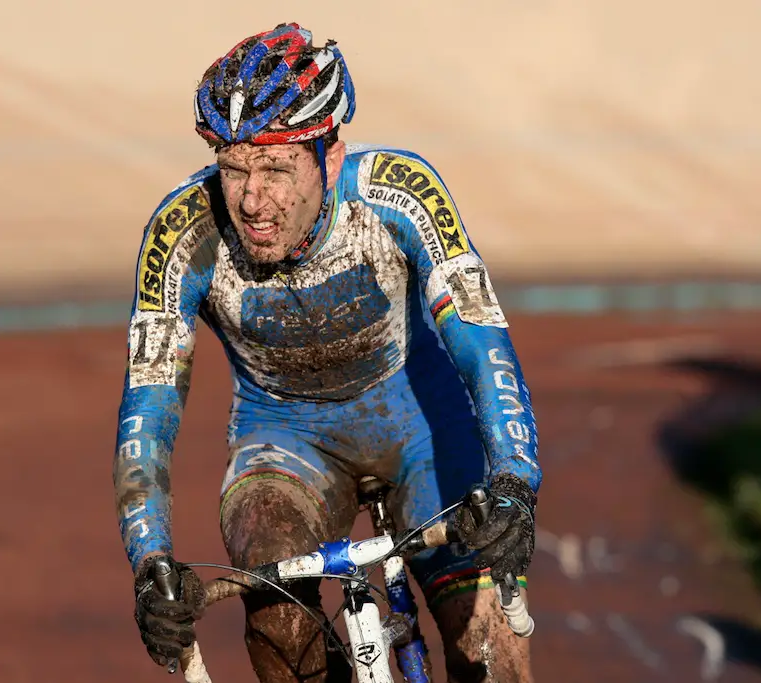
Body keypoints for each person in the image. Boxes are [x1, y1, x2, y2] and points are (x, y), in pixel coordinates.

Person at [113, 22, 542, 683]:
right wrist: (150, 565)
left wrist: (515, 481)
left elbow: (482, 341)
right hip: (285, 440)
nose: (252, 199)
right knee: (280, 625)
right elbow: (148, 413)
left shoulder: (398, 191)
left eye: (277, 169)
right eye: (233, 168)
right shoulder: (183, 234)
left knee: (490, 647)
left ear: (332, 157)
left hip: (423, 426)